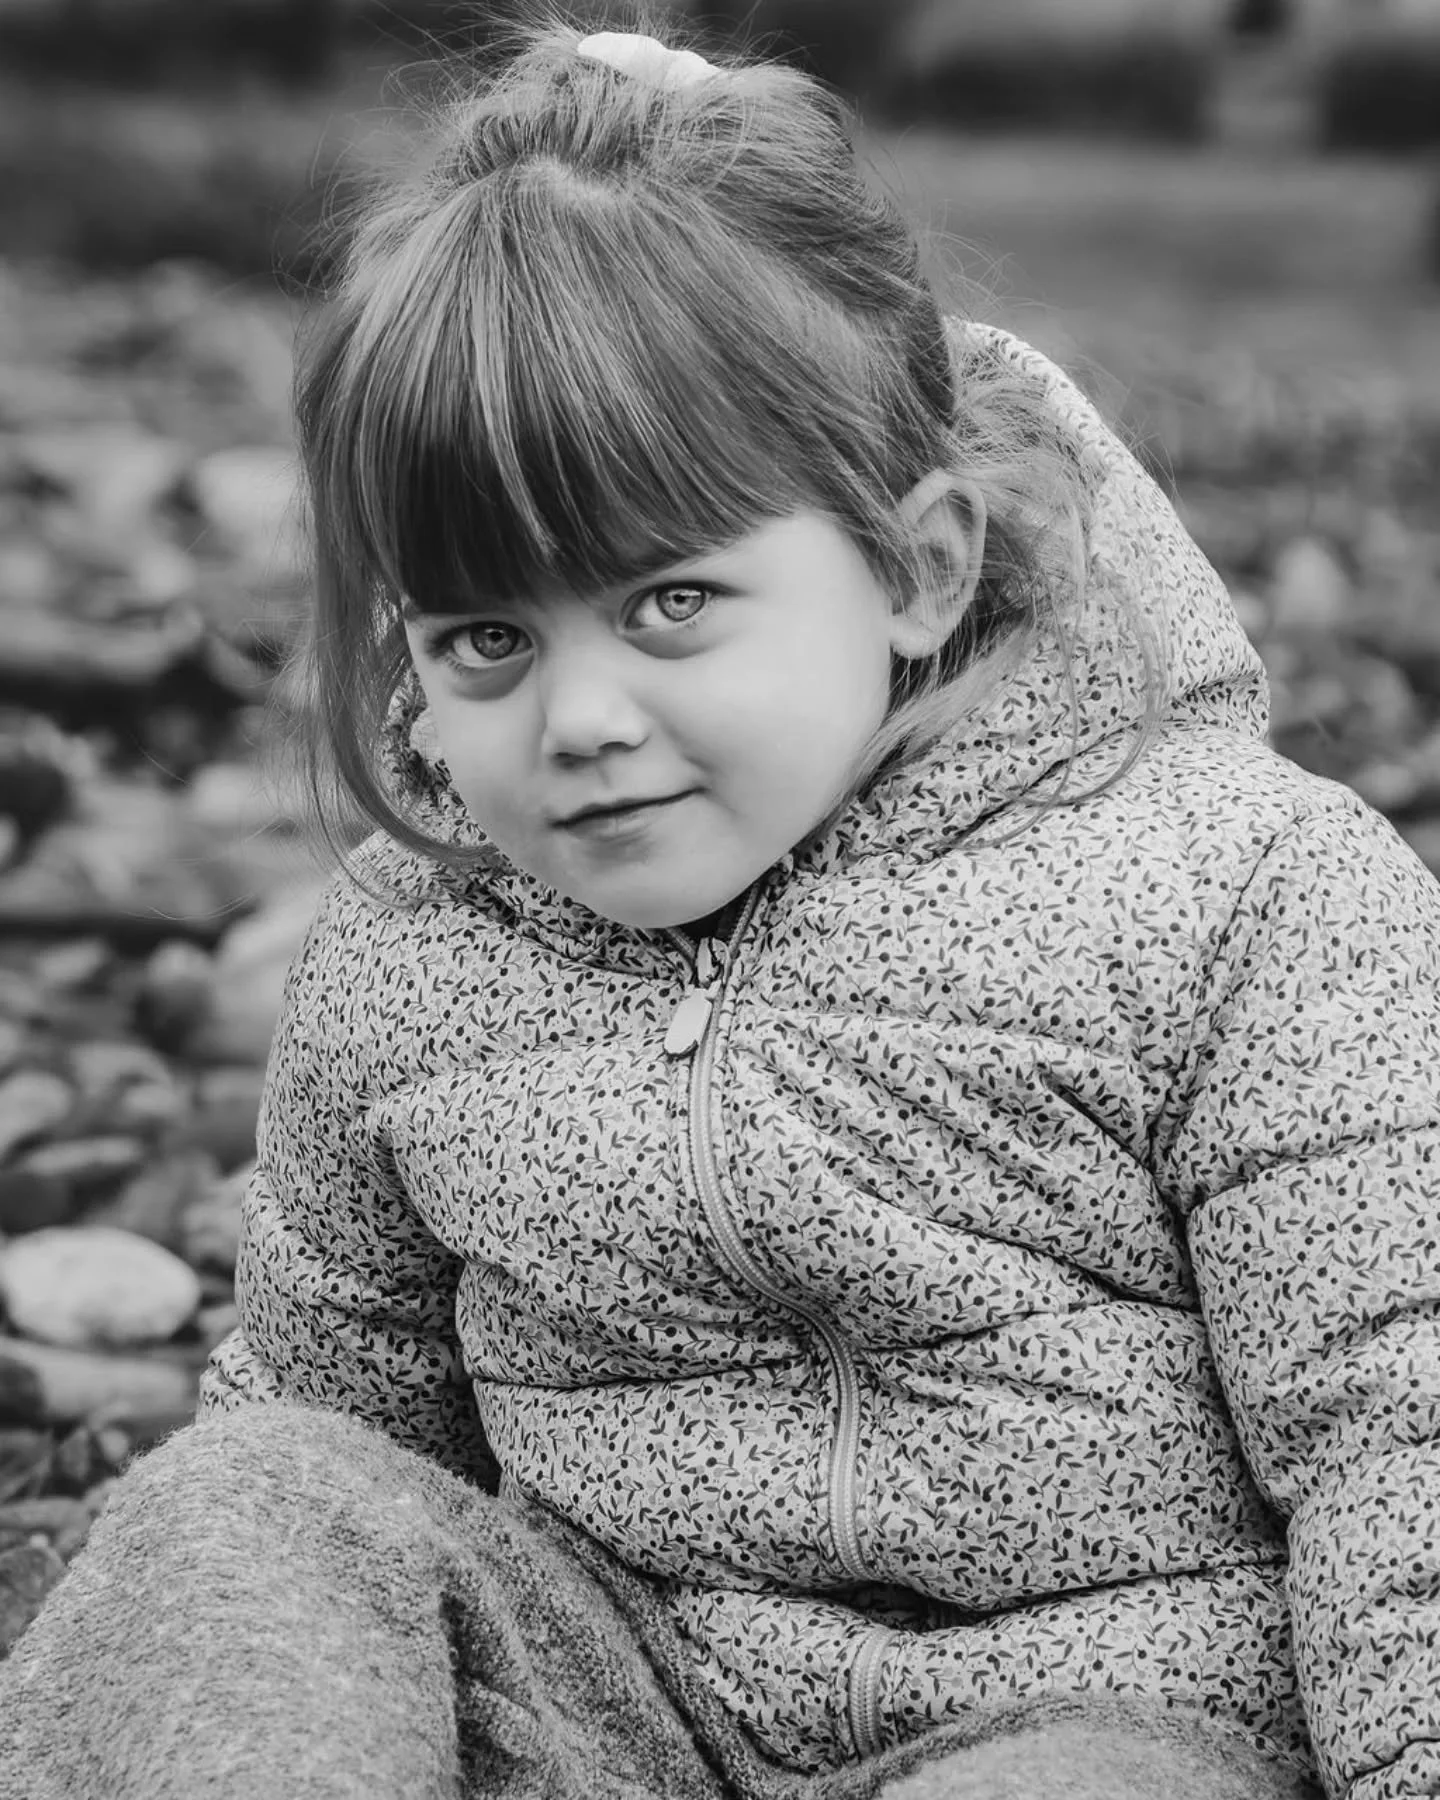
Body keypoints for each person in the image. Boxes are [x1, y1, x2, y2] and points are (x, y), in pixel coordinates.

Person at [3, 14, 1438, 1800]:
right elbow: (337, 1408)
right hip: (620, 1719)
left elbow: (1406, 1432)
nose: (582, 719)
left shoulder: (1248, 899)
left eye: (670, 604)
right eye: (486, 638)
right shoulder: (417, 951)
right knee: (252, 1496)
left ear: (917, 567)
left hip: (1108, 1725)